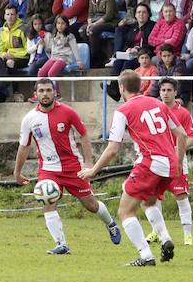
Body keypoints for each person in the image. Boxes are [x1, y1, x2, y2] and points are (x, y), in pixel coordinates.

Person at [78, 69, 187, 267]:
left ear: (121, 88)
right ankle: (165, 238)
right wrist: (178, 162)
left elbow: (112, 149)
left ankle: (146, 256)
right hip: (169, 164)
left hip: (151, 162)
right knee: (148, 203)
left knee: (125, 211)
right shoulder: (158, 103)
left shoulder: (123, 111)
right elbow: (182, 133)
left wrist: (93, 170)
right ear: (140, 86)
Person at [14, 79, 121, 254]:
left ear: (55, 93)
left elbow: (84, 135)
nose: (45, 94)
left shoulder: (68, 112)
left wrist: (88, 163)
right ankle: (61, 244)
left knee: (91, 205)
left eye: (49, 90)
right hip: (48, 169)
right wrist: (17, 172)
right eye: (41, 90)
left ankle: (110, 223)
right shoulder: (29, 119)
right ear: (35, 94)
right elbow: (24, 146)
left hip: (73, 167)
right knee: (48, 202)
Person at [145, 78, 193, 246]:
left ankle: (187, 236)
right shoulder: (153, 112)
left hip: (177, 161)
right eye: (163, 90)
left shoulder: (183, 113)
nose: (165, 93)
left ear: (175, 92)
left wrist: (176, 152)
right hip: (158, 161)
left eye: (169, 90)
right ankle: (156, 232)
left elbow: (191, 137)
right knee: (154, 198)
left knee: (181, 196)